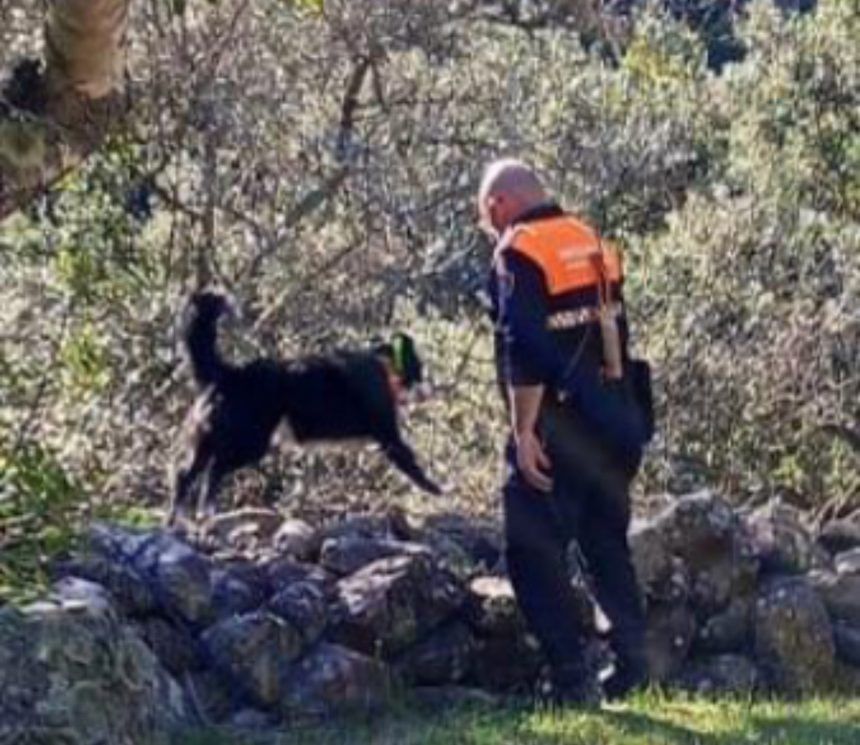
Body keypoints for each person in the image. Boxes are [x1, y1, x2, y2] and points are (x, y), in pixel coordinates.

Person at [479, 158, 651, 705]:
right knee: (605, 543)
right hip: (617, 416)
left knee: (530, 550)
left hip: (559, 422)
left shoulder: (520, 250)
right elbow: (614, 333)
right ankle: (633, 666)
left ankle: (572, 679)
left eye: (485, 217)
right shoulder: (590, 239)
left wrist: (524, 430)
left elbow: (522, 346)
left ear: (497, 205)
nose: (488, 227)